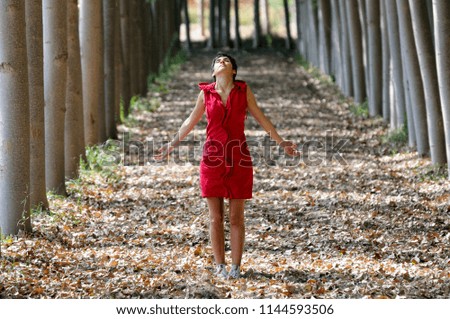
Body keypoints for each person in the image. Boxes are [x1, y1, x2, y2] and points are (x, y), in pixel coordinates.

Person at [155, 52, 299, 279]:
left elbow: (261, 118)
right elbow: (189, 121)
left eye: (227, 61)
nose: (222, 62)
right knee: (215, 217)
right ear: (213, 72)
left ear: (233, 71)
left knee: (236, 217)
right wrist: (171, 145)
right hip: (212, 159)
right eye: (217, 61)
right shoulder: (205, 94)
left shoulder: (243, 91)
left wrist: (282, 143)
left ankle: (235, 267)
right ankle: (219, 266)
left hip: (239, 157)